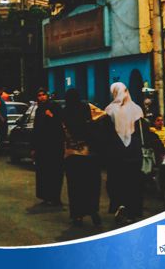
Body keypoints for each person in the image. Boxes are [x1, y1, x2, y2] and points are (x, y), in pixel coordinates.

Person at [103, 82, 151, 224]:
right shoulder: (137, 110)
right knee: (134, 183)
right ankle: (132, 211)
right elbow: (144, 133)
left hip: (116, 154)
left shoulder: (109, 110)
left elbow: (106, 135)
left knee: (117, 182)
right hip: (134, 152)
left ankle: (120, 206)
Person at [63, 88, 101, 227]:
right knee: (90, 185)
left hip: (71, 154)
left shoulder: (65, 111)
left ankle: (77, 215)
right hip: (87, 154)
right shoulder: (86, 108)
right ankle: (92, 211)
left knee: (75, 186)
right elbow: (102, 117)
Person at [30, 88, 64, 206]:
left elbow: (61, 122)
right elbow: (36, 128)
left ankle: (55, 197)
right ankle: (45, 196)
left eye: (43, 95)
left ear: (47, 95)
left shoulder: (54, 107)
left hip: (54, 145)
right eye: (39, 95)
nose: (42, 97)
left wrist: (52, 116)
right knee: (43, 172)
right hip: (42, 146)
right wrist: (33, 147)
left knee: (54, 172)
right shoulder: (39, 109)